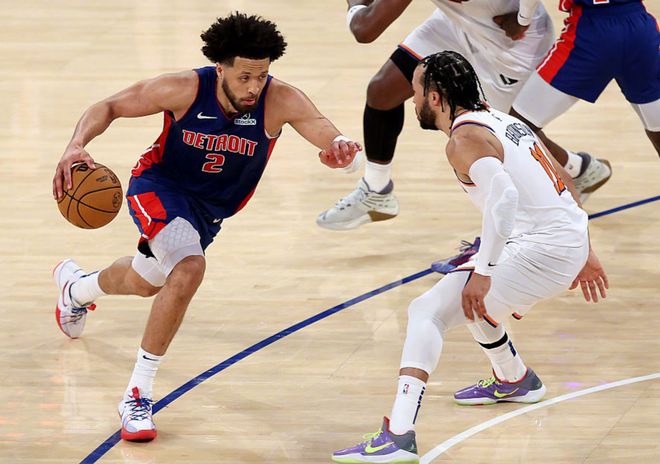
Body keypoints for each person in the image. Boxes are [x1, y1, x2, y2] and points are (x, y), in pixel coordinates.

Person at [51, 13, 360, 442]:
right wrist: (75, 145)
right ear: (220, 68)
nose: (254, 87)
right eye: (244, 76)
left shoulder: (281, 100)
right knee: (189, 269)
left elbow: (325, 131)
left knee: (146, 282)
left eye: (262, 75)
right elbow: (110, 106)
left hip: (209, 212)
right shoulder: (185, 88)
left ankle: (76, 289)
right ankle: (138, 394)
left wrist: (340, 150)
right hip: (160, 187)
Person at [331, 51, 608, 463]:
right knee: (467, 293)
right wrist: (585, 248)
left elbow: (504, 199)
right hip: (563, 241)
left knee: (427, 311)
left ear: (436, 98)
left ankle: (399, 435)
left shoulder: (463, 140)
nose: (412, 100)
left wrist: (485, 271)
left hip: (544, 250)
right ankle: (514, 378)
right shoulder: (504, 120)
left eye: (415, 92)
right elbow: (563, 178)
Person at [317, 0, 612, 230]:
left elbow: (365, 29)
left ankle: (577, 170)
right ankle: (377, 190)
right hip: (457, 23)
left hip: (510, 41)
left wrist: (523, 17)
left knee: (506, 136)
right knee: (382, 91)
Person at [511, 0, 660, 186]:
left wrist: (522, 20)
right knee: (658, 130)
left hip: (590, 35)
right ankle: (578, 170)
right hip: (640, 30)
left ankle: (576, 171)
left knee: (515, 127)